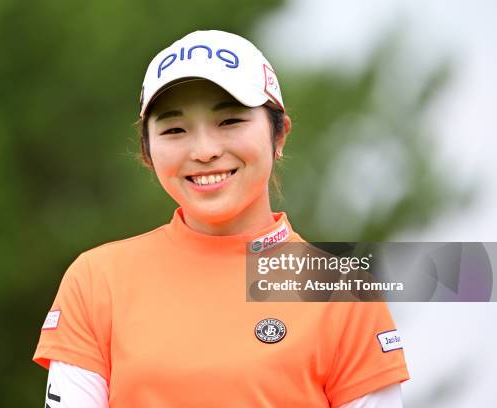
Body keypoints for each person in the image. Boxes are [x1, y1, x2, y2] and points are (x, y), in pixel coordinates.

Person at [33, 30, 410, 407]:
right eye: (174, 129)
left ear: (279, 136)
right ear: (147, 152)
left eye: (229, 121)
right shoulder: (98, 280)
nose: (205, 151)